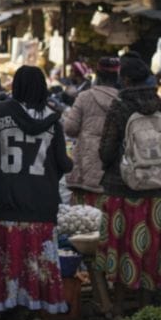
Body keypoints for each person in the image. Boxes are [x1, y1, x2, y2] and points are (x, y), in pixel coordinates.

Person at [0, 66, 73, 320]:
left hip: (8, 198)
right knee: (38, 258)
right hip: (42, 201)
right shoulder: (53, 119)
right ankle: (36, 313)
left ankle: (15, 312)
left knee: (12, 257)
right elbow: (64, 163)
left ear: (16, 86)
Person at [97, 55, 161, 317]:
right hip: (158, 192)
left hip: (122, 191)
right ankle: (145, 308)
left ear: (125, 79)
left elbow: (107, 151)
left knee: (123, 246)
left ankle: (120, 306)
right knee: (151, 247)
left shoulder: (120, 106)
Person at [64, 56, 120, 207]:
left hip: (85, 168)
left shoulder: (84, 97)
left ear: (98, 76)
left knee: (84, 222)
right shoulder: (121, 101)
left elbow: (70, 128)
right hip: (111, 172)